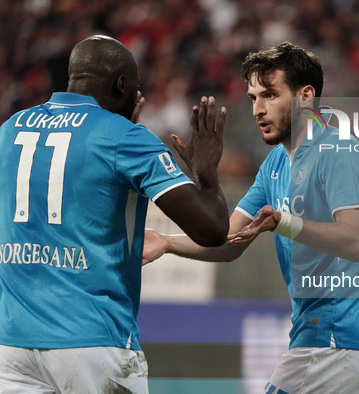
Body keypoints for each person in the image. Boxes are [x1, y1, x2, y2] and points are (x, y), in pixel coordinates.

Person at [144, 42, 359, 393]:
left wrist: (284, 223)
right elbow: (228, 240)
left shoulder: (338, 151)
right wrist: (169, 240)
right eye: (252, 98)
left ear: (306, 96)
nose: (258, 110)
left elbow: (354, 242)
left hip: (337, 338)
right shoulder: (275, 165)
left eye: (270, 95)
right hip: (340, 342)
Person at [0, 35, 229, 394]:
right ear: (122, 85)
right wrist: (206, 174)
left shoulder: (9, 129)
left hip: (10, 346)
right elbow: (213, 229)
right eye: (135, 88)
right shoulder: (125, 138)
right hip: (92, 341)